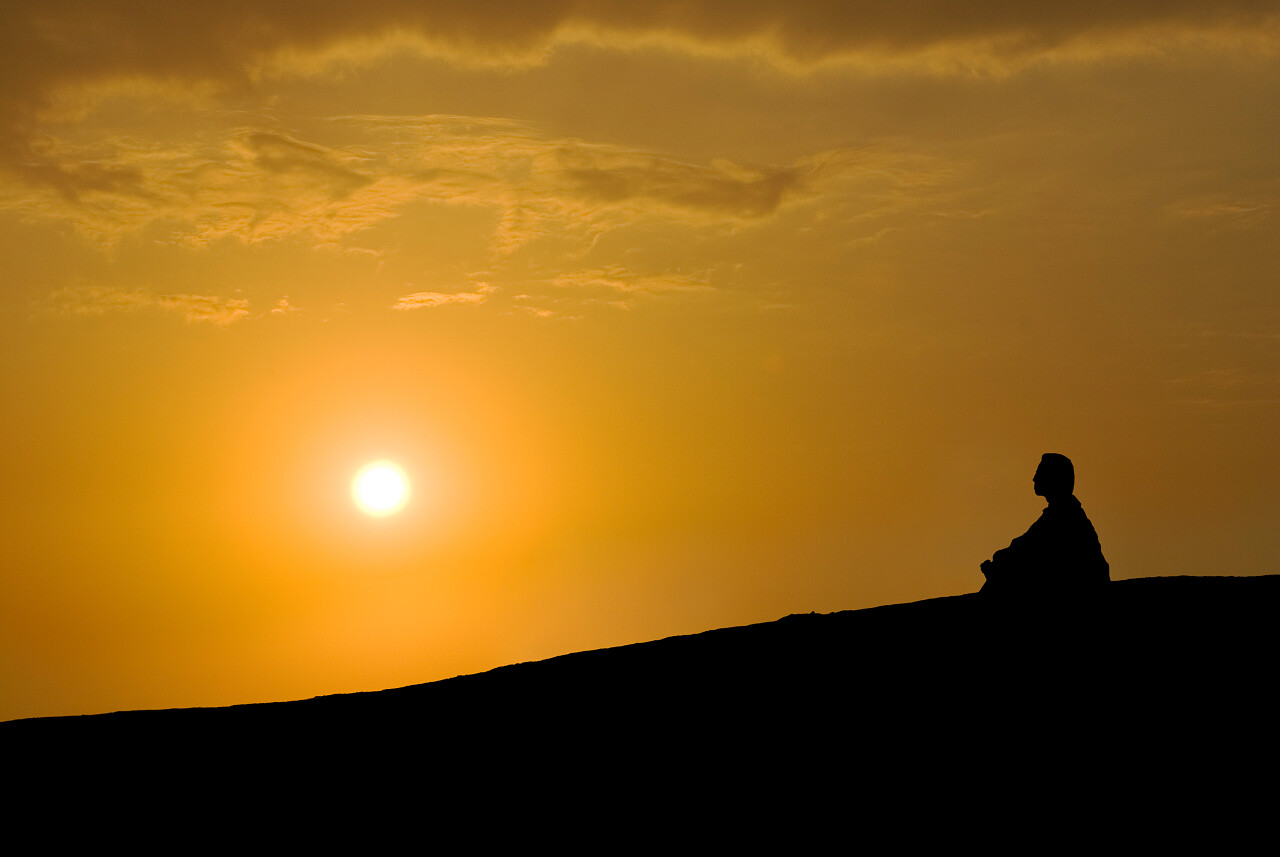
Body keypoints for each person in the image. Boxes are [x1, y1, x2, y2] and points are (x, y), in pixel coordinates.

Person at [980, 453, 1109, 598]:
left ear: (1053, 478)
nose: (1034, 478)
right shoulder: (1059, 512)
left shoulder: (1064, 515)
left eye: (1039, 473)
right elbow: (1025, 545)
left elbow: (1028, 548)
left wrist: (1000, 560)